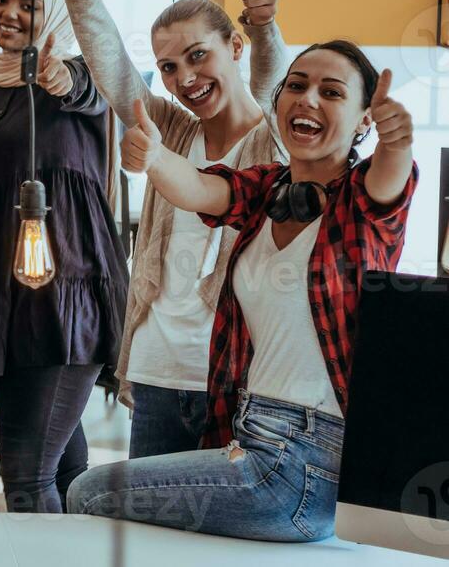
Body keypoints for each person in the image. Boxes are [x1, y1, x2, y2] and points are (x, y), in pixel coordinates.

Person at [67, 41, 417, 541]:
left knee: (90, 493)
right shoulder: (268, 192)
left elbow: (391, 181)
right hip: (248, 435)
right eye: (296, 86)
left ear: (364, 119)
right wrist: (154, 158)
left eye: (332, 92)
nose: (308, 99)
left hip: (305, 466)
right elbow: (197, 188)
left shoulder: (363, 206)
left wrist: (397, 141)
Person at [41, 0, 288, 459]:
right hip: (156, 369)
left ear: (235, 46)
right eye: (170, 68)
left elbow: (284, 99)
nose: (185, 78)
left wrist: (265, 26)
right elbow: (118, 77)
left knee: (222, 539)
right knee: (147, 535)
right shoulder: (173, 130)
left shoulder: (275, 143)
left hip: (236, 380)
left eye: (199, 56)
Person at [0, 0, 129, 513]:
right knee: (65, 473)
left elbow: (92, 92)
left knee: (24, 478)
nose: (9, 13)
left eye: (29, 5)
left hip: (61, 299)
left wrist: (66, 78)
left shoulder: (75, 74)